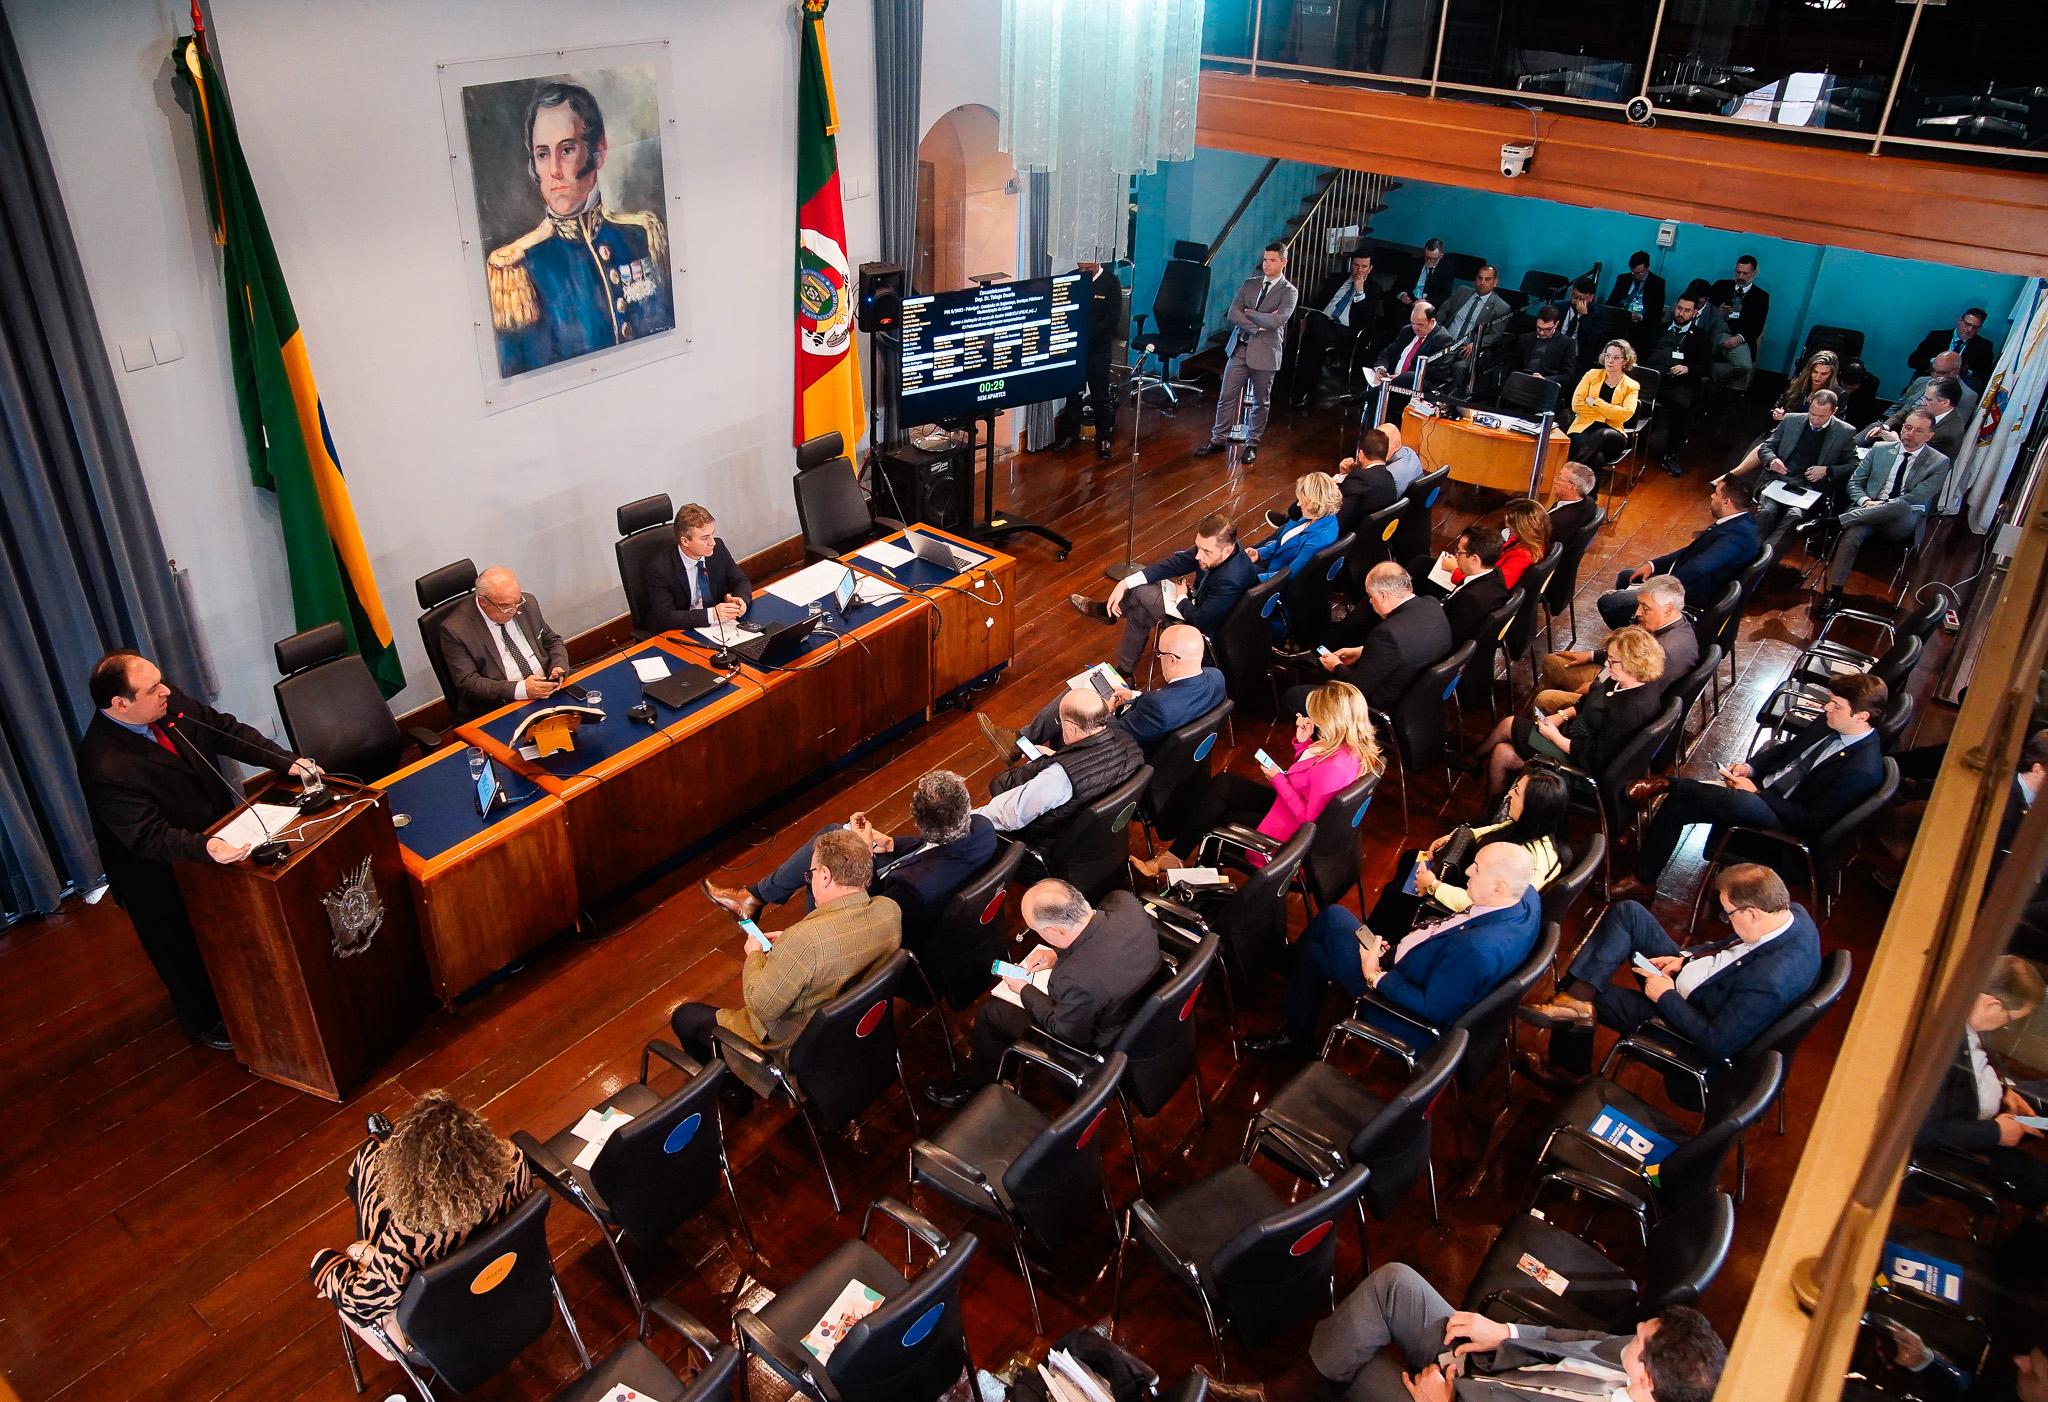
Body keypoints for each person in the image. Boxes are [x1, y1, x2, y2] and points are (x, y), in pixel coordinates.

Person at [76, 651, 323, 1051]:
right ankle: (205, 1022)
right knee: (182, 949)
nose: (165, 691)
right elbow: (147, 835)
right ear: (120, 703)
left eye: (161, 681)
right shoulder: (104, 764)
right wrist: (205, 845)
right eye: (153, 688)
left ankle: (248, 991)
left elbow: (223, 730)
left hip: (212, 837)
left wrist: (286, 762)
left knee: (226, 927)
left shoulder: (165, 703)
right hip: (155, 873)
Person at [1522, 864, 1821, 1077]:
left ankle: (1567, 1069)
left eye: (1728, 914)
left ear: (1752, 913)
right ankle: (1575, 1003)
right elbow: (1730, 945)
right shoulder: (1788, 914)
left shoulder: (1769, 982)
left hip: (1686, 1019)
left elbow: (1717, 1043)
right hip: (1697, 977)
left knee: (1591, 993)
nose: (1726, 920)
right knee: (1629, 913)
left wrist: (1665, 996)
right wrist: (1687, 958)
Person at [1248, 842, 1540, 1055]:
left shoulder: (1478, 950)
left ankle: (1290, 996)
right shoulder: (1525, 898)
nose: (1467, 871)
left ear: (1499, 887)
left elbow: (1433, 1008)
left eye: (1477, 869)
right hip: (1406, 962)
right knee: (1315, 954)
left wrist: (1375, 974)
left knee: (1332, 918)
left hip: (1393, 1001)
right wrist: (1402, 947)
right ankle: (1296, 1024)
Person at [1615, 672, 1888, 896]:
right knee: (1678, 805)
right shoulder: (1833, 722)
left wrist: (1758, 793)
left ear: (1861, 717)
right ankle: (1644, 880)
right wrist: (1751, 768)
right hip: (1765, 790)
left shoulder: (1861, 770)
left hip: (1786, 821)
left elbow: (1810, 822)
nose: (1827, 707)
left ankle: (1667, 783)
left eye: (1836, 705)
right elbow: (1785, 750)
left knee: (1742, 800)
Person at [310, 1090, 534, 1359]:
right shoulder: (515, 1164)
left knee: (371, 1174)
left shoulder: (409, 1237)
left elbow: (365, 1304)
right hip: (516, 1285)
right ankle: (381, 1145)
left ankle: (381, 1146)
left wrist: (325, 1265)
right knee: (372, 1173)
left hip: (446, 1327)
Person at [1304, 1261, 1726, 1402]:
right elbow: (1573, 1339)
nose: (1633, 1331)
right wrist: (1506, 1332)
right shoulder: (1633, 1360)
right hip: (1489, 1364)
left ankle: (1304, 1384)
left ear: (1647, 1379)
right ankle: (1299, 1381)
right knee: (1394, 1284)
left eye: (1639, 1340)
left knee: (1356, 1365)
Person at [668, 828, 902, 1066]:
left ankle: (730, 1084)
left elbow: (761, 1006)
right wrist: (789, 946)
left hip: (795, 1050)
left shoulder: (805, 940)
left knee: (685, 1017)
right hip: (861, 1036)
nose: (810, 879)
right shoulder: (890, 911)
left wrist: (754, 954)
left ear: (825, 876)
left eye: (810, 873)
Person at [486, 82, 674, 377]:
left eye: (567, 150)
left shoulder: (640, 235)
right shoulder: (515, 267)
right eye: (542, 154)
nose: (554, 170)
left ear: (599, 152)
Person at [924, 878, 1161, 1106]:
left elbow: (1067, 1033)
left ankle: (977, 1087)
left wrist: (1023, 989)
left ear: (1054, 931)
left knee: (990, 1013)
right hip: (1142, 1012)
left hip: (1095, 1045)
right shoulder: (1125, 903)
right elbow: (1099, 939)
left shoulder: (1075, 980)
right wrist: (1058, 953)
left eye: (1037, 930)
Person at [701, 769, 996, 952]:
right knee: (834, 834)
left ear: (918, 821)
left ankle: (806, 946)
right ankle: (753, 897)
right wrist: (891, 843)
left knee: (824, 868)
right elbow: (932, 847)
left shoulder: (913, 889)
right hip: (919, 890)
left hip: (880, 923)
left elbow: (869, 908)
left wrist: (863, 853)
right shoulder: (982, 830)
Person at [1142, 679, 1382, 863]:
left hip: (1287, 833)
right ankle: (1174, 857)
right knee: (1225, 783)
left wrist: (1278, 779)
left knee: (1219, 821)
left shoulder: (1334, 769)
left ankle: (1192, 880)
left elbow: (1308, 821)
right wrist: (1302, 745)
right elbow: (1308, 779)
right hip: (1285, 806)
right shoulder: (1346, 747)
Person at [984, 622, 1225, 761]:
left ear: (1172, 660)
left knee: (1075, 700)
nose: (1158, 658)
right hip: (1166, 748)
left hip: (1121, 754)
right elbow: (1169, 705)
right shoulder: (1216, 678)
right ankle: (1021, 741)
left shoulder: (1159, 706)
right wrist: (1136, 696)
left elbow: (1113, 735)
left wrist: (1105, 710)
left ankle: (1022, 743)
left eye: (1159, 654)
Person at [1916, 955, 2047, 1208]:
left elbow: (1980, 1067)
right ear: (1992, 1004)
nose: (2004, 1026)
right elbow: (1926, 1129)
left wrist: (2005, 1089)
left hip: (2001, 1112)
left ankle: (2041, 1122)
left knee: (2043, 1109)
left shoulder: (1973, 1018)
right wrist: (1996, 1132)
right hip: (1971, 1142)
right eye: (2009, 1019)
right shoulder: (1941, 1049)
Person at [1478, 624, 1666, 801]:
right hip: (1576, 739)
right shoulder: (1627, 681)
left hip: (1582, 768)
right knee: (1502, 752)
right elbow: (1589, 701)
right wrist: (1562, 716)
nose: (1607, 665)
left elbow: (1593, 757)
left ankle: (1473, 762)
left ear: (1633, 663)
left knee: (1509, 724)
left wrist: (1553, 736)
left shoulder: (1629, 712)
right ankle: (1488, 809)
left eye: (1613, 661)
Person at [1370, 769, 1569, 935]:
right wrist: (1452, 837)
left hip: (1474, 912)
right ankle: (1395, 926)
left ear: (1532, 807)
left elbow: (1486, 907)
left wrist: (1433, 886)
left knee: (1395, 892)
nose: (1509, 794)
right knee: (1411, 858)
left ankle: (1378, 944)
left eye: (1516, 792)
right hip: (1477, 881)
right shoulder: (1531, 828)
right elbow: (1487, 832)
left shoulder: (1526, 861)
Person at [1068, 512, 1256, 674]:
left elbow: (1201, 622)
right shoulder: (1221, 547)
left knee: (1140, 591)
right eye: (1197, 547)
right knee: (1138, 610)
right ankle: (1125, 671)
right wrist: (1124, 582)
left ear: (1227, 550)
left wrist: (1182, 598)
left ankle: (1107, 611)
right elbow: (1175, 564)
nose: (1198, 556)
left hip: (1204, 632)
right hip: (1197, 607)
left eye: (1206, 552)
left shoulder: (1231, 579)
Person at [972, 688, 1146, 846]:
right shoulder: (1129, 743)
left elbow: (1009, 815)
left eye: (1060, 721)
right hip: (1100, 837)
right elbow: (1095, 767)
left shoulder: (1058, 777)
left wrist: (967, 818)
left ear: (1070, 728)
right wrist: (1056, 757)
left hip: (1053, 842)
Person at [1824, 408, 1952, 605]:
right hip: (1867, 512)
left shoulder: (1939, 462)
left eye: (1918, 430)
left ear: (1929, 435)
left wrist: (1882, 505)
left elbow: (1918, 497)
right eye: (1907, 427)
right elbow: (1854, 483)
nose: (1910, 433)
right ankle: (1834, 594)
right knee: (1852, 535)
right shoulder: (1880, 449)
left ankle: (1833, 522)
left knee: (1901, 505)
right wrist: (1866, 502)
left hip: (1900, 520)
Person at [1291, 561, 1453, 714]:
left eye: (1370, 595)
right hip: (1421, 698)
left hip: (1378, 706)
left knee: (1294, 697)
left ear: (1382, 596)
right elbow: (1410, 646)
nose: (1369, 601)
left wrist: (1336, 666)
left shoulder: (1386, 634)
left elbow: (1356, 689)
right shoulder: (1431, 604)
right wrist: (1362, 651)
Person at [1597, 476, 1758, 628]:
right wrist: (1653, 565)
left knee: (1608, 604)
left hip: (1691, 596)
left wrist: (1658, 588)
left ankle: (1638, 639)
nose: (1711, 496)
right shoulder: (1738, 523)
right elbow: (1691, 551)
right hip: (1686, 582)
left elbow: (1698, 568)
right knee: (1626, 577)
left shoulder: (1738, 536)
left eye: (1716, 494)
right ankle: (1636, 625)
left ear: (1726, 502)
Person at [1194, 242, 1298, 464]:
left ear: (1283, 262)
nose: (1266, 264)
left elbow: (1277, 321)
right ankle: (1218, 439)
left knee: (1261, 401)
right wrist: (1257, 323)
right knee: (1226, 396)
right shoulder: (1250, 284)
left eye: (1272, 260)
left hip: (1265, 353)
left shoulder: (1289, 292)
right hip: (1240, 348)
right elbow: (1233, 313)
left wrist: (1249, 313)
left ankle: (1252, 444)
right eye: (1265, 260)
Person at [1537, 573, 1696, 711]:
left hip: (1615, 702)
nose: (1638, 613)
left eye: (1645, 608)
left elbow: (1634, 694)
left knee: (1545, 699)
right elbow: (1626, 657)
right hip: (1613, 676)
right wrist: (1592, 655)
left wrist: (1593, 688)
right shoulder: (1679, 623)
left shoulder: (1664, 653)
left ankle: (1547, 726)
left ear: (1668, 609)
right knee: (1552, 661)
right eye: (1639, 605)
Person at [434, 565, 571, 720]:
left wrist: (558, 665)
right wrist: (522, 690)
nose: (514, 610)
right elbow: (468, 682)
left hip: (549, 687)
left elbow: (552, 640)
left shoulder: (527, 603)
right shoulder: (455, 629)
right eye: (505, 606)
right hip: (504, 703)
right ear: (483, 601)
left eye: (516, 602)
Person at [1742, 390, 1859, 533]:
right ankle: (1754, 547)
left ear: (1834, 411)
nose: (1815, 420)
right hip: (1779, 479)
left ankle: (1770, 548)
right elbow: (1766, 447)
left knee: (1794, 516)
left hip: (1811, 487)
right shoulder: (1790, 420)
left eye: (1821, 416)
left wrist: (1827, 470)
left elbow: (1853, 464)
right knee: (1766, 512)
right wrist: (1772, 460)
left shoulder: (1845, 432)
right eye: (1812, 413)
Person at [644, 502, 752, 634]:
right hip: (683, 631)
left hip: (721, 626)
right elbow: (665, 617)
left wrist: (741, 600)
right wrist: (712, 614)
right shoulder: (660, 570)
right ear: (685, 541)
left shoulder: (718, 549)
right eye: (705, 538)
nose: (712, 542)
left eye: (712, 534)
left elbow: (741, 581)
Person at [1052, 259, 1123, 458]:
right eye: (1081, 268)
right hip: (1074, 348)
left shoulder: (1110, 282)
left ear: (1097, 262)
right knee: (1073, 392)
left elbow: (1112, 318)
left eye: (1088, 268)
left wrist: (1087, 334)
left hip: (1098, 349)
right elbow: (1061, 310)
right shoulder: (1070, 278)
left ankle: (1104, 439)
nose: (1083, 272)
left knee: (1100, 395)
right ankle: (1071, 434)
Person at [1292, 250, 1380, 404]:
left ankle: (1301, 394)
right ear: (1351, 265)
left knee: (1312, 347)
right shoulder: (1336, 279)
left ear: (1370, 268)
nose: (1359, 270)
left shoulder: (1374, 289)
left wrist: (1360, 292)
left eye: (1364, 267)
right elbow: (1318, 303)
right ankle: (1330, 352)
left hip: (1345, 329)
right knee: (1316, 318)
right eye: (1356, 265)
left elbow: (1366, 320)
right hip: (1323, 321)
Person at [1643, 291, 1712, 474]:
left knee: (1683, 406)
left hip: (1676, 384)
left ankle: (1671, 454)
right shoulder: (1658, 328)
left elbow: (1706, 367)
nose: (1681, 313)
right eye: (1679, 308)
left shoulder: (1701, 337)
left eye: (1687, 310)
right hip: (1650, 379)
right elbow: (1641, 354)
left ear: (1695, 313)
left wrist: (1688, 369)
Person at [1248, 472, 1344, 586]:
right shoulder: (1318, 517)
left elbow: (1291, 574)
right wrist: (1260, 553)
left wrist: (1254, 581)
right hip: (1275, 564)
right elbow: (1286, 542)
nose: (1298, 504)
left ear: (1316, 503)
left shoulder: (1319, 539)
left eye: (1302, 500)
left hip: (1275, 579)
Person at [1435, 263, 1512, 392]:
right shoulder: (1462, 291)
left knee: (1459, 367)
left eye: (1487, 279)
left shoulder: (1501, 307)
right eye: (1479, 278)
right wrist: (1438, 331)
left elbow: (1495, 335)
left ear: (1495, 282)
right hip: (1445, 341)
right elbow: (1443, 311)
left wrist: (1476, 344)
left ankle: (1450, 398)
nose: (1482, 282)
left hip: (1467, 349)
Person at [1565, 339, 1640, 467]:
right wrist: (1610, 412)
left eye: (1616, 358)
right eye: (1607, 355)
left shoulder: (1632, 385)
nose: (1610, 360)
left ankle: (1568, 472)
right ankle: (1572, 475)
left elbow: (1625, 414)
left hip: (1613, 434)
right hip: (1584, 428)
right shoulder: (1592, 375)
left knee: (1603, 434)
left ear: (1625, 360)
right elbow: (1576, 405)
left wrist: (1595, 403)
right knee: (1597, 459)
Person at [1861, 374, 1969, 463]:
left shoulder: (1949, 433)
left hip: (1913, 472)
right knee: (1877, 426)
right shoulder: (1928, 407)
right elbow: (1905, 412)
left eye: (1928, 399)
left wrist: (1895, 442)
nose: (1923, 403)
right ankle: (1851, 449)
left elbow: (1920, 459)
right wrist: (1886, 426)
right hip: (1898, 452)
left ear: (1945, 402)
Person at [1432, 529, 1513, 643]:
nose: (1456, 556)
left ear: (1474, 559)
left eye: (1459, 552)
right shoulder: (1496, 574)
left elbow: (1447, 636)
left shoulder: (1470, 600)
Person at [1370, 300, 1455, 399]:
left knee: (1409, 377)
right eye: (1413, 323)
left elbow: (1436, 373)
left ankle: (1365, 396)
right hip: (1390, 381)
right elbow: (1387, 353)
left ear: (1431, 321)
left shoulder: (1443, 340)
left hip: (1416, 389)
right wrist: (1381, 369)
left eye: (1420, 324)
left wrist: (1400, 378)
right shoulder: (1407, 330)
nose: (1415, 328)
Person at [1707, 254, 1768, 390]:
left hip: (1738, 337)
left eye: (1745, 273)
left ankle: (1718, 385)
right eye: (1738, 272)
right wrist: (1718, 310)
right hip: (1715, 331)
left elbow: (1757, 326)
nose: (1740, 277)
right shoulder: (1720, 286)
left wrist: (1739, 338)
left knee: (1745, 366)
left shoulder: (1761, 297)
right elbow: (1705, 311)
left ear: (1754, 273)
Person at [1878, 350, 1980, 429]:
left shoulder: (1967, 395)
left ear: (1955, 372)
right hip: (1895, 423)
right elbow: (1899, 405)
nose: (1935, 376)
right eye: (1933, 371)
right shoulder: (1921, 381)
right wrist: (1884, 422)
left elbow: (1954, 426)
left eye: (1941, 373)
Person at [1908, 306, 1995, 392]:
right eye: (1967, 324)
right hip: (1926, 384)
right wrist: (1935, 362)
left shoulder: (1984, 346)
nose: (1969, 329)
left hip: (1956, 390)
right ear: (1960, 320)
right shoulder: (1937, 336)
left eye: (1975, 327)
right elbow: (1913, 361)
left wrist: (1967, 372)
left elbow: (1985, 376)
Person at [1607, 250, 1666, 353]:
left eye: (1640, 273)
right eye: (1633, 272)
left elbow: (1657, 312)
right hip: (1621, 320)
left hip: (1642, 323)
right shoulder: (1623, 279)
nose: (1637, 276)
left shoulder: (1657, 283)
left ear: (1648, 267)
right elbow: (1611, 302)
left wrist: (1640, 317)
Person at [1509, 302, 1575, 383]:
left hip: (1547, 385)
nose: (1542, 333)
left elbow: (1568, 375)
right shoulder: (1524, 339)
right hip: (1522, 382)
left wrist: (1545, 380)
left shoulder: (1567, 343)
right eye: (1539, 328)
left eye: (1547, 329)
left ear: (1556, 324)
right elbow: (1512, 367)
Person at [1497, 497, 1552, 592]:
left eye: (1510, 523)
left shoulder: (1522, 556)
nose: (1506, 525)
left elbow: (1498, 586)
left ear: (1522, 527)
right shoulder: (1537, 540)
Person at [1557, 276, 1606, 377]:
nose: (1574, 302)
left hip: (1578, 360)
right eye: (1574, 296)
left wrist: (1584, 317)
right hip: (1556, 353)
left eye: (1581, 299)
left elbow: (1594, 341)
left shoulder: (1597, 314)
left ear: (1591, 298)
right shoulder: (1558, 308)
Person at [1395, 237, 1455, 316]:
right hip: (1409, 301)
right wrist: (1402, 295)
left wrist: (1426, 301)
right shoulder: (1413, 264)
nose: (1428, 261)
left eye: (1432, 259)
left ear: (1440, 256)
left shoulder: (1447, 270)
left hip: (1429, 305)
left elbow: (1445, 295)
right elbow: (1397, 285)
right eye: (1426, 257)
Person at [1546, 461, 1600, 545]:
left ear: (1571, 487)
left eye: (1560, 478)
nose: (1555, 480)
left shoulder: (1557, 522)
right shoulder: (1590, 502)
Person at [1381, 418, 1426, 494]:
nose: (1375, 446)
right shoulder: (1409, 452)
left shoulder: (1389, 476)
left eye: (1382, 443)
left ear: (1397, 445)